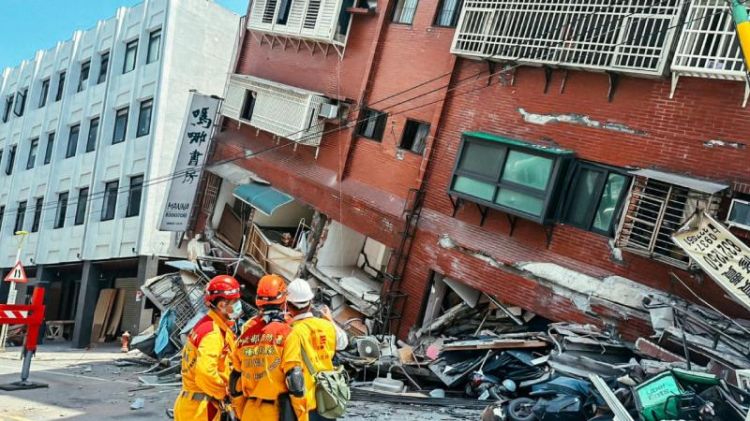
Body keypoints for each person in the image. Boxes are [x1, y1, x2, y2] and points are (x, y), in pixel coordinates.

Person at [174, 275, 242, 421]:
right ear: (222, 305)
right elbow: (205, 373)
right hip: (201, 410)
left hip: (195, 405)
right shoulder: (212, 332)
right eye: (235, 301)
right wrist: (226, 393)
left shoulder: (212, 325)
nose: (238, 305)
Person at [229, 274, 293, 421]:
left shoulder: (247, 331)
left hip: (249, 410)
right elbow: (295, 378)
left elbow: (235, 379)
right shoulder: (289, 330)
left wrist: (240, 411)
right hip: (277, 410)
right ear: (284, 301)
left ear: (258, 303)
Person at [283, 278, 349, 421]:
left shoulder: (292, 332)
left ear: (288, 306)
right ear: (310, 302)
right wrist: (330, 320)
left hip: (305, 402)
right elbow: (343, 342)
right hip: (328, 396)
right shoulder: (327, 326)